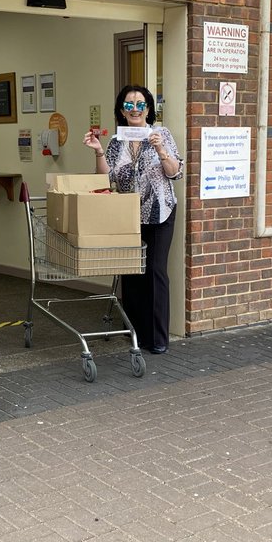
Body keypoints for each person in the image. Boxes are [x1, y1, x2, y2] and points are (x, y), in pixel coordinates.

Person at [83, 85, 183, 354]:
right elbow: (108, 178)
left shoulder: (161, 134)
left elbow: (175, 172)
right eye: (129, 105)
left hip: (160, 212)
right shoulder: (118, 141)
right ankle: (135, 334)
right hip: (128, 215)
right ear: (121, 111)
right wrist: (98, 150)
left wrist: (161, 150)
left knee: (155, 272)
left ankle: (158, 339)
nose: (135, 109)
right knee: (131, 274)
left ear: (149, 109)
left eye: (141, 104)